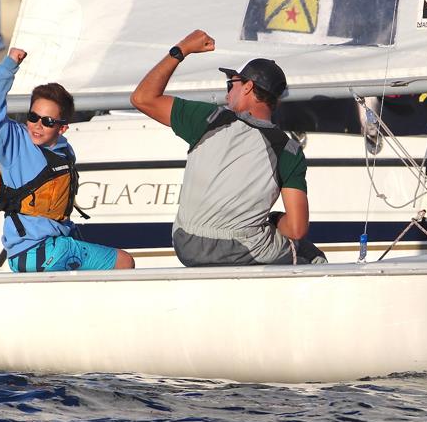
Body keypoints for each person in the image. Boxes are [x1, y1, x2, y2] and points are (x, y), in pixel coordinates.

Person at [130, 29, 327, 266]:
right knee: (311, 257)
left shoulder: (208, 119)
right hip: (242, 248)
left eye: (230, 84)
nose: (226, 94)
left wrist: (182, 49)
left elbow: (142, 98)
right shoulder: (288, 150)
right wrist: (274, 222)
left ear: (247, 87)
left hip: (186, 243)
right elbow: (296, 229)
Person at [0, 47, 135, 272]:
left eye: (48, 121)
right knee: (124, 262)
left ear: (62, 128)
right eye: (33, 117)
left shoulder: (65, 151)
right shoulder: (14, 144)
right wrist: (9, 65)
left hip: (49, 248)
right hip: (35, 252)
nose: (38, 125)